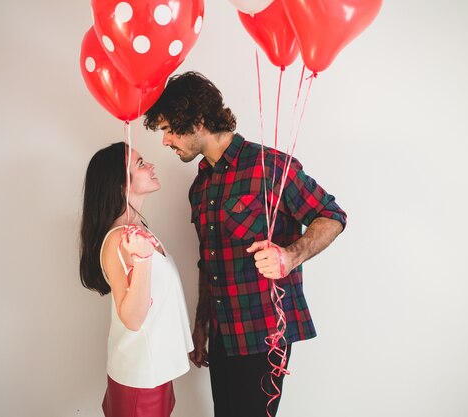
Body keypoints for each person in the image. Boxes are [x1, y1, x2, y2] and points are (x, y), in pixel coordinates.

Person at [144, 72, 347, 417]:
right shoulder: (201, 186)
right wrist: (201, 323)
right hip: (224, 332)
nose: (164, 141)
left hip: (264, 332)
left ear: (198, 121)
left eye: (168, 129)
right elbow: (207, 261)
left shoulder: (270, 166)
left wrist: (289, 255)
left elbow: (331, 215)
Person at [79, 142, 193, 417]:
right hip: (142, 377)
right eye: (140, 164)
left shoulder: (136, 229)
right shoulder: (120, 239)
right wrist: (142, 261)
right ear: (121, 184)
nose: (151, 166)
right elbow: (132, 318)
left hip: (155, 371)